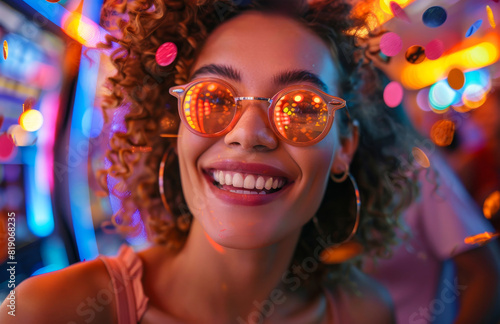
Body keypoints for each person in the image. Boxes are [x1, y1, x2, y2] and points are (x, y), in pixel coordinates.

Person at [1, 0, 421, 323]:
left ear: (344, 147)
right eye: (214, 99)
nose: (248, 134)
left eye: (302, 108)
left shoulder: (365, 311)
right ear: (176, 127)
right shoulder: (48, 311)